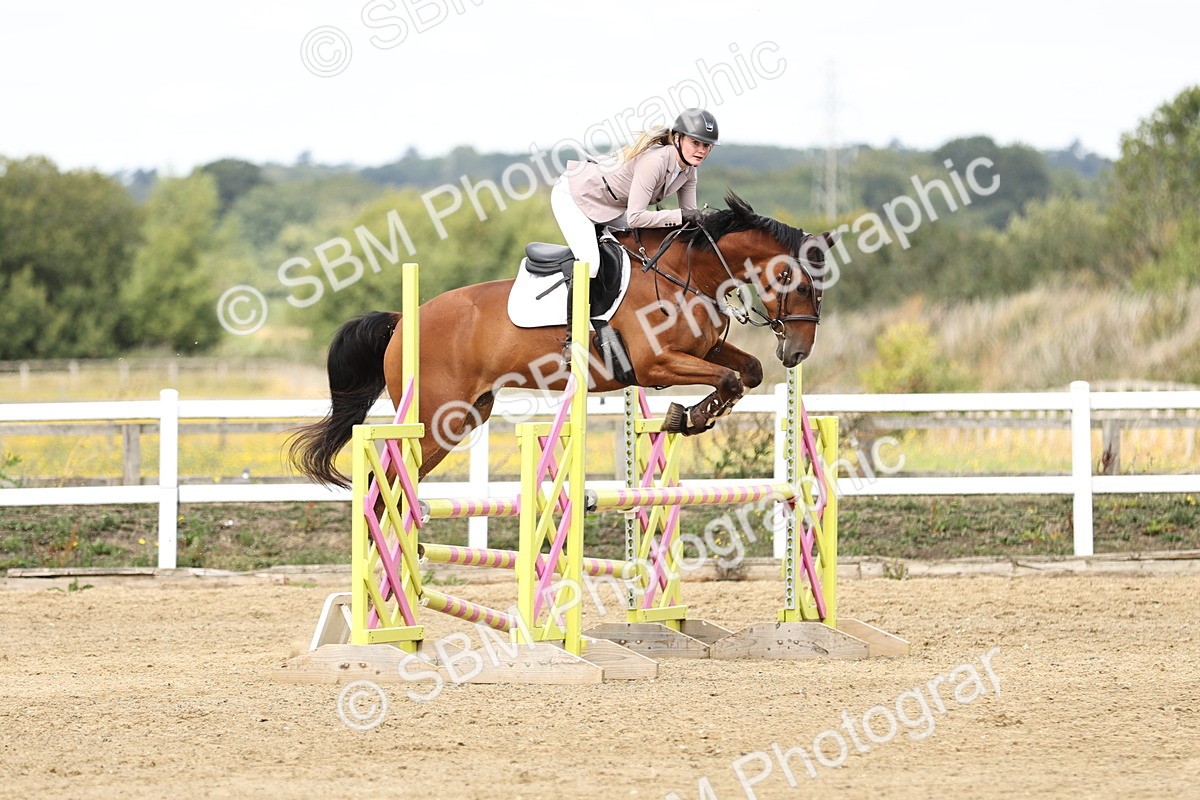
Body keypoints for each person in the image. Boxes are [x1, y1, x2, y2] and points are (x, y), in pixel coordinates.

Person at [552, 108, 719, 278]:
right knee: (591, 265)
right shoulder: (654, 163)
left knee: (644, 243)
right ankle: (569, 295)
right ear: (677, 138)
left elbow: (689, 219)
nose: (701, 150)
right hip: (575, 195)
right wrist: (680, 215)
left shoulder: (689, 171)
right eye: (695, 143)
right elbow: (635, 218)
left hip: (610, 207)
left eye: (706, 145)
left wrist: (711, 224)